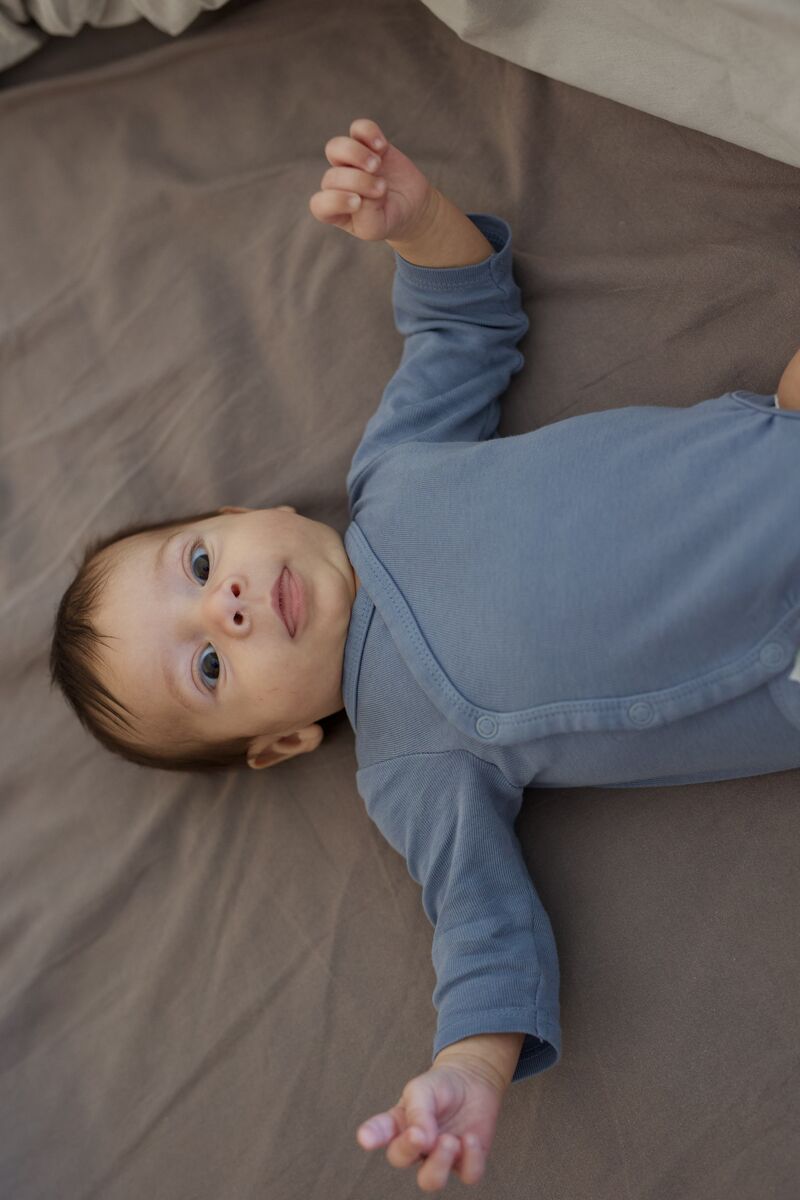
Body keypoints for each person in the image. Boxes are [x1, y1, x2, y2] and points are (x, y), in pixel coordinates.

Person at [49, 117, 800, 1192]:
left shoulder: (391, 470)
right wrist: (467, 1073)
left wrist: (413, 223)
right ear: (282, 740)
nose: (226, 607)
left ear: (244, 509)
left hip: (774, 440)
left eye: (199, 561)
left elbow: (462, 328)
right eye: (207, 667)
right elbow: (481, 926)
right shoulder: (411, 758)